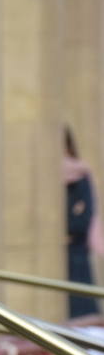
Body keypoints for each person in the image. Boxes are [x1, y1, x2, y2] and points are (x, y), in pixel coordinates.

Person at [64, 126, 99, 318]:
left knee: (82, 312)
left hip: (76, 249)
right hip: (65, 249)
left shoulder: (80, 175)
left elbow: (84, 215)